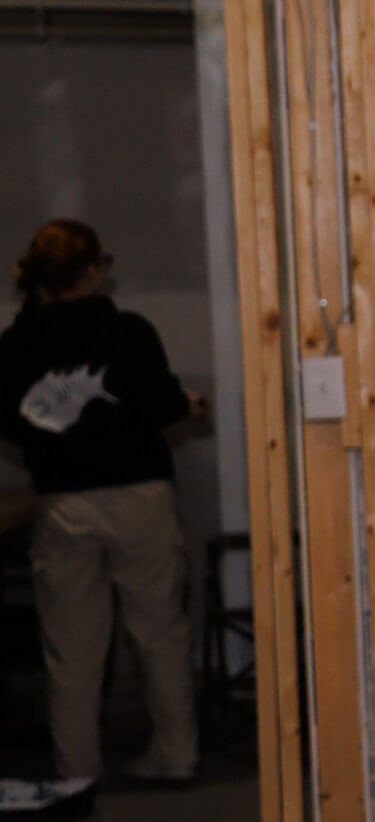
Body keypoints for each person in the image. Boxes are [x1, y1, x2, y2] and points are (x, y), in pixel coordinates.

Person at [0, 220, 204, 816]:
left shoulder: (13, 348)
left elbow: (14, 424)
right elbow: (161, 404)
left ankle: (78, 772)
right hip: (139, 495)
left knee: (72, 648)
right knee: (160, 631)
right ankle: (176, 755)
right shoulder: (128, 332)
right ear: (93, 269)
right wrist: (184, 405)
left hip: (65, 503)